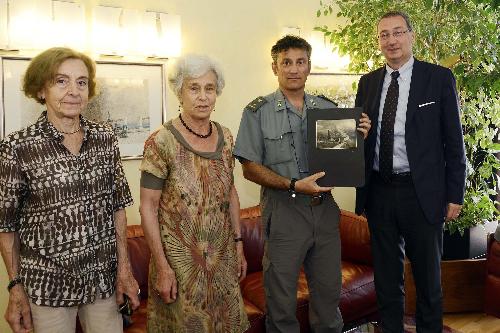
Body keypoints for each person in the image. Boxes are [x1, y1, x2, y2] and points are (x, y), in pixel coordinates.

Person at [233, 35, 371, 333]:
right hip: (284, 214)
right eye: (286, 62)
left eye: (300, 62)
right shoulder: (257, 112)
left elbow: (343, 159)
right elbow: (249, 168)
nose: (293, 69)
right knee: (281, 304)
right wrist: (294, 184)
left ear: (309, 66)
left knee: (328, 299)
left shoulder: (327, 109)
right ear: (275, 67)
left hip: (324, 214)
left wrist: (360, 136)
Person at [0, 47, 140, 333]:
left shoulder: (105, 138)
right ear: (41, 90)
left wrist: (124, 269)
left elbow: (118, 207)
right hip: (48, 286)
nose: (74, 91)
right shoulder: (17, 148)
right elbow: (6, 226)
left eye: (81, 82)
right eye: (61, 81)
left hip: (103, 280)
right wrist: (15, 287)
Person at [354, 11, 466, 333]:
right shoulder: (368, 82)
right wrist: (358, 134)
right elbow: (361, 136)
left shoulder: (438, 78)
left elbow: (453, 142)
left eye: (397, 32)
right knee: (387, 280)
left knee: (428, 281)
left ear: (411, 36)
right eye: (384, 35)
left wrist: (454, 195)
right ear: (379, 42)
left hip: (422, 194)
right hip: (379, 192)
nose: (391, 40)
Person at [139, 54, 249, 333]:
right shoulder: (160, 141)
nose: (202, 97)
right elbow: (148, 209)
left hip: (223, 261)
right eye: (194, 88)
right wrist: (163, 268)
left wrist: (239, 243)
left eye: (209, 88)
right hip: (179, 268)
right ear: (180, 91)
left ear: (217, 93)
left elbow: (230, 192)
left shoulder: (226, 138)